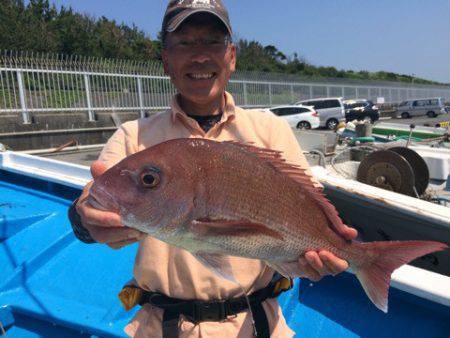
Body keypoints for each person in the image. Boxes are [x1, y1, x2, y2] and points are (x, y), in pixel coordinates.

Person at [69, 1, 357, 337]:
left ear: (232, 56)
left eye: (212, 42)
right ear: (165, 60)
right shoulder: (133, 136)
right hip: (162, 327)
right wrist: (84, 217)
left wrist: (314, 257)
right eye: (185, 43)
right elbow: (91, 200)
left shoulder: (270, 130)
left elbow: (305, 205)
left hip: (258, 325)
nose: (200, 56)